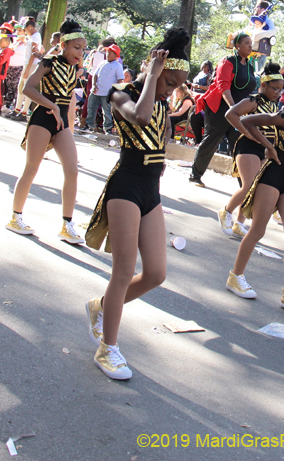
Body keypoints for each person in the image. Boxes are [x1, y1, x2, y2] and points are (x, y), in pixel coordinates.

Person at [84, 28, 191, 380]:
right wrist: (154, 77)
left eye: (176, 86)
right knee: (124, 270)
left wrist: (166, 94)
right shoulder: (120, 94)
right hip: (126, 185)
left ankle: (101, 306)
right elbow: (140, 118)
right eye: (169, 83)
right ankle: (108, 348)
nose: (170, 91)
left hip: (151, 190)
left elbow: (160, 132)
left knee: (157, 273)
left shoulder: (159, 99)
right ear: (152, 67)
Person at [224, 62, 284, 313]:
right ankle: (235, 276)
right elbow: (247, 120)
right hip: (271, 178)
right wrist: (267, 146)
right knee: (257, 230)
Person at [6, 21, 87, 244]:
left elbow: (70, 99)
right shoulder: (49, 62)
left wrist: (68, 122)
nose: (80, 53)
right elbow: (28, 88)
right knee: (32, 168)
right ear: (63, 45)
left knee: (72, 171)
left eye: (83, 49)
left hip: (61, 124)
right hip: (42, 118)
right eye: (76, 48)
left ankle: (67, 225)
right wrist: (52, 106)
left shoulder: (74, 69)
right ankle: (15, 217)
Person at [219, 62, 284, 237]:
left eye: (281, 90)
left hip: (264, 149)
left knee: (255, 188)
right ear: (263, 85)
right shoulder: (252, 101)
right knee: (248, 185)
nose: (278, 92)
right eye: (275, 88)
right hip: (247, 147)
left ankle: (239, 223)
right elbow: (230, 114)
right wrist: (246, 132)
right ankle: (226, 212)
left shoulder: (275, 106)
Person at [189, 33, 258, 187]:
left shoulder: (249, 66)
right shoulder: (227, 61)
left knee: (239, 145)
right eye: (247, 43)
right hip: (220, 109)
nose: (250, 46)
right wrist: (233, 107)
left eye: (251, 43)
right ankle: (195, 175)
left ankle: (245, 185)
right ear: (237, 46)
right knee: (211, 141)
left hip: (238, 113)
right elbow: (223, 85)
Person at [87, 43, 125, 133]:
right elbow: (95, 75)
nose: (107, 54)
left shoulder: (118, 66)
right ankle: (90, 126)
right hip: (96, 91)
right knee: (91, 108)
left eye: (110, 53)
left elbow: (120, 79)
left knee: (106, 111)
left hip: (107, 93)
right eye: (107, 52)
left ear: (115, 55)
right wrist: (94, 85)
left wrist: (113, 90)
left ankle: (107, 129)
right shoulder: (102, 63)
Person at [11, 18, 42, 118]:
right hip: (27, 64)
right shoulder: (33, 36)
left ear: (30, 27)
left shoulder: (35, 37)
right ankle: (17, 109)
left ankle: (24, 112)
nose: (25, 31)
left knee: (27, 88)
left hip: (31, 65)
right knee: (21, 87)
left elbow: (33, 54)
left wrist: (27, 69)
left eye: (25, 29)